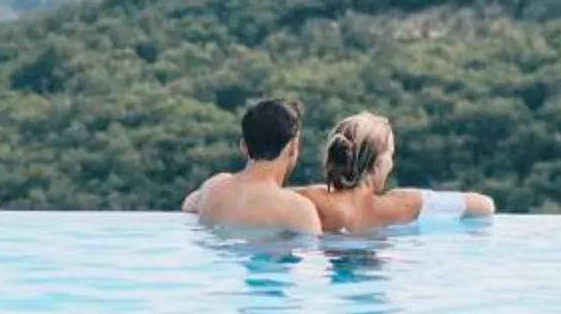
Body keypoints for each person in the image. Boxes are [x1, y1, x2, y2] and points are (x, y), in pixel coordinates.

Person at [307, 111, 495, 233]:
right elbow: (485, 206)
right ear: (379, 163)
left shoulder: (312, 200)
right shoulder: (401, 205)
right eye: (391, 154)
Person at [180, 97, 325, 235]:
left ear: (243, 146)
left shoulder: (212, 187)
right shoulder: (298, 210)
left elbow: (188, 206)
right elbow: (312, 251)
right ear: (293, 147)